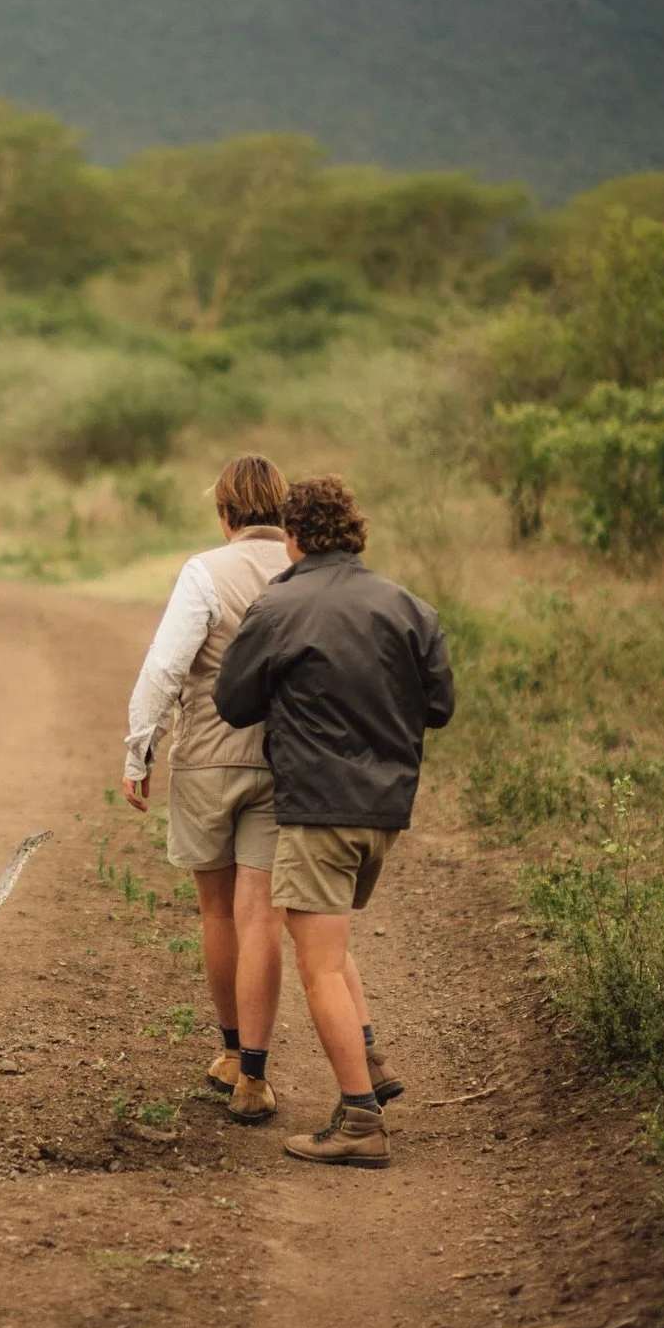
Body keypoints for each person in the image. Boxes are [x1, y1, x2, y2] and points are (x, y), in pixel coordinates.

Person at [213, 475, 454, 1168]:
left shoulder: (280, 602)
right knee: (324, 938)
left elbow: (234, 702)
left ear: (291, 536)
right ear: (355, 532)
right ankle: (369, 1058)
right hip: (384, 811)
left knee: (317, 965)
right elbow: (438, 708)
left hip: (318, 807)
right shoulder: (410, 607)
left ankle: (360, 1121)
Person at [121, 453, 292, 1125]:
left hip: (208, 764)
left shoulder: (205, 571)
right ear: (281, 511)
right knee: (263, 918)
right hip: (285, 765)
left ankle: (228, 1052)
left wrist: (140, 750)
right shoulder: (306, 570)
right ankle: (255, 1074)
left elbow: (165, 667)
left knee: (218, 914)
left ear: (225, 514)